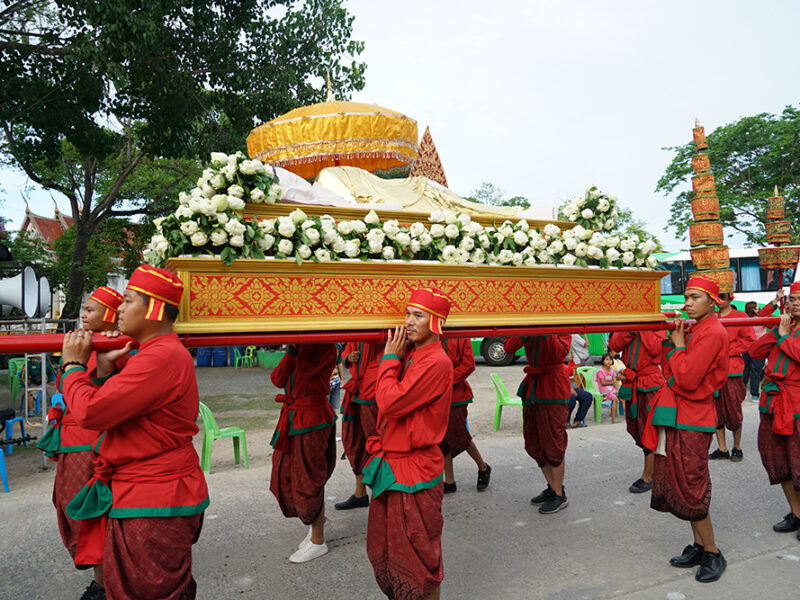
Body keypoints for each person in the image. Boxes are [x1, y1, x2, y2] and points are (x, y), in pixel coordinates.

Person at [60, 265, 209, 599]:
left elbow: (90, 411)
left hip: (154, 496)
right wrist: (103, 367)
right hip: (142, 491)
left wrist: (72, 366)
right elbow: (112, 412)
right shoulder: (154, 354)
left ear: (154, 307)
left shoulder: (160, 357)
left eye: (127, 301)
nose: (120, 309)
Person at [363, 287, 453, 600]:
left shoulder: (435, 362)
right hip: (395, 466)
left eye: (418, 315)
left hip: (414, 470)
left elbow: (388, 403)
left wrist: (389, 357)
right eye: (407, 313)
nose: (408, 322)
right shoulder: (414, 354)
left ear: (437, 322)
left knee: (422, 559)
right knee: (393, 554)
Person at [38, 286, 125, 600]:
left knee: (93, 516)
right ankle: (101, 580)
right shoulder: (81, 343)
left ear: (110, 315)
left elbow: (103, 402)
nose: (83, 314)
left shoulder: (115, 347)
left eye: (91, 309)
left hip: (90, 445)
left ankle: (103, 584)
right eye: (83, 309)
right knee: (69, 507)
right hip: (69, 444)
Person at [645, 274, 729, 583]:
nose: (687, 303)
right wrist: (678, 344)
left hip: (694, 417)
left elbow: (688, 379)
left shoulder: (713, 332)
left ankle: (713, 552)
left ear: (712, 301)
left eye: (695, 297)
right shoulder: (700, 328)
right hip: (680, 414)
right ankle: (698, 545)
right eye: (686, 297)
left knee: (692, 484)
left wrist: (678, 346)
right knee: (681, 480)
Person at [269, 342, 338, 562]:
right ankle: (316, 524)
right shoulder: (297, 345)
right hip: (295, 416)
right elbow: (277, 379)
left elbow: (308, 372)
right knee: (293, 474)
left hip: (312, 418)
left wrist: (298, 346)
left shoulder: (327, 346)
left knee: (311, 480)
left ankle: (318, 540)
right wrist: (291, 349)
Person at [747, 281, 800, 539]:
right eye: (791, 299)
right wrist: (775, 332)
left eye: (799, 299)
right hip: (772, 402)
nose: (794, 303)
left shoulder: (786, 333)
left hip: (796, 404)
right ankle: (796, 512)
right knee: (779, 461)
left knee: (798, 461)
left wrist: (783, 336)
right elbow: (755, 352)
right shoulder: (783, 327)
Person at [504, 333, 572, 514]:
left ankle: (559, 494)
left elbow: (560, 354)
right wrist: (525, 330)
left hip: (553, 386)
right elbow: (508, 348)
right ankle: (552, 486)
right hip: (533, 385)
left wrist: (544, 329)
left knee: (553, 441)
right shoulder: (527, 322)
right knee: (535, 442)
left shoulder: (562, 324)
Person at [608, 330, 666, 494]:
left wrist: (642, 327)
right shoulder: (630, 322)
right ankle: (655, 470)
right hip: (633, 380)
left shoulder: (656, 323)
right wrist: (630, 328)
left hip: (651, 382)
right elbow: (614, 345)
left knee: (650, 429)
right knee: (636, 427)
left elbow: (656, 349)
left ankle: (648, 476)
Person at [335, 341, 384, 510]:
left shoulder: (383, 327)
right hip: (358, 392)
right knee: (356, 444)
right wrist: (348, 357)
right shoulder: (358, 326)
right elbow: (346, 352)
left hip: (372, 393)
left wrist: (370, 380)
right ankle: (360, 493)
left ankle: (383, 493)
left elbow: (390, 352)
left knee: (376, 444)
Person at [440, 337, 491, 493]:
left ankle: (483, 467)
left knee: (460, 436)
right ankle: (449, 481)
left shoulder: (461, 334)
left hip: (456, 395)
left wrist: (445, 380)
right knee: (442, 440)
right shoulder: (431, 332)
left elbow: (468, 364)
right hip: (435, 395)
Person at [710, 292, 755, 461]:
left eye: (722, 296)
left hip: (733, 369)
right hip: (713, 370)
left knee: (734, 409)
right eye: (716, 296)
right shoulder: (710, 316)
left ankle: (737, 446)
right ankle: (722, 448)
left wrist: (726, 351)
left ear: (730, 297)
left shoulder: (740, 316)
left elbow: (749, 340)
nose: (719, 300)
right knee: (715, 410)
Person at [743, 301, 767, 402]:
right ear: (754, 309)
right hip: (759, 348)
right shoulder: (762, 320)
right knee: (756, 371)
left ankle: (742, 392)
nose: (759, 309)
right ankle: (754, 394)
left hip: (747, 347)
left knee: (745, 370)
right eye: (758, 307)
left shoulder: (745, 320)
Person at [595, 353, 621, 424]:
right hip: (604, 389)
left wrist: (617, 389)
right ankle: (613, 419)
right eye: (607, 359)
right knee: (615, 399)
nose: (609, 361)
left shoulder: (612, 370)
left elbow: (615, 380)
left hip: (611, 387)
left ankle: (627, 414)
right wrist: (612, 382)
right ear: (603, 361)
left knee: (622, 396)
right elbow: (603, 383)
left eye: (610, 360)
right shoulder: (601, 371)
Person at [327, 344, 345, 411]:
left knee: (334, 408)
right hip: (324, 384)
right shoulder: (320, 345)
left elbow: (339, 363)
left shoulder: (337, 346)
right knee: (325, 409)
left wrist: (342, 379)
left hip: (336, 382)